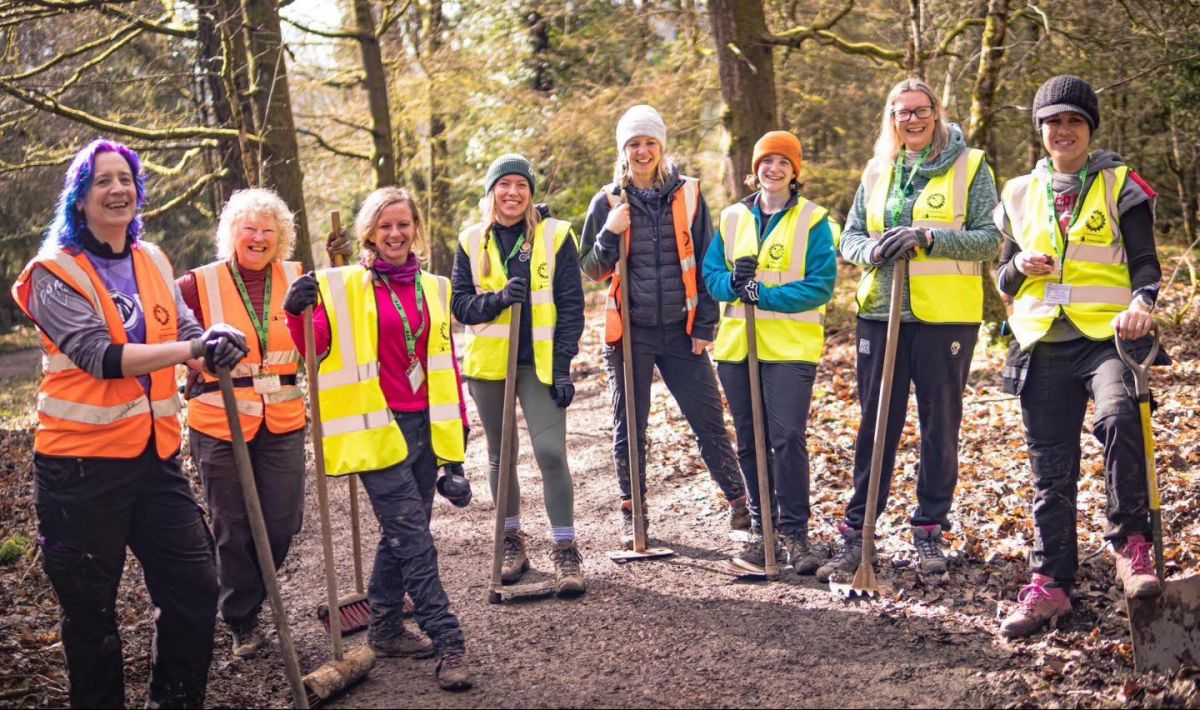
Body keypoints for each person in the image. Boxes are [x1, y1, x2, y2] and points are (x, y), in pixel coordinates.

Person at [11, 139, 248, 707]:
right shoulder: (52, 273)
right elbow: (101, 357)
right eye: (102, 181)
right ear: (80, 198)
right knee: (92, 618)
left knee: (195, 589)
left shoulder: (153, 259)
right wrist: (188, 346)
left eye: (126, 179)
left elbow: (185, 327)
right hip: (78, 472)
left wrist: (212, 346)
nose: (118, 190)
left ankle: (176, 699)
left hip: (153, 460)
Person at [994, 75, 1166, 638]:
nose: (1062, 130)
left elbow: (1145, 262)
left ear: (1089, 128)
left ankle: (1130, 544)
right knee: (1051, 467)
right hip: (1042, 341)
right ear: (1039, 130)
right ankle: (1052, 584)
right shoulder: (1018, 192)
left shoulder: (1120, 183)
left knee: (1119, 417)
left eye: (1073, 121)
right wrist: (1018, 268)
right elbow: (1002, 277)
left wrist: (1142, 303)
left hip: (1108, 339)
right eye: (1052, 122)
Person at [283, 186, 473, 691]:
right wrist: (294, 310)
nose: (395, 234)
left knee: (401, 535)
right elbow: (312, 345)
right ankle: (449, 639)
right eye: (385, 226)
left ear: (416, 230)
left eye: (404, 225)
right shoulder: (345, 286)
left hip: (425, 428)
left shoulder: (434, 287)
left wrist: (457, 447)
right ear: (370, 231)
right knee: (414, 538)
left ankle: (386, 625)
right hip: (375, 428)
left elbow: (445, 363)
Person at [820, 79, 1001, 582]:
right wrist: (872, 251)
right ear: (891, 118)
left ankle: (928, 528)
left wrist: (929, 237)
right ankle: (858, 533)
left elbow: (990, 240)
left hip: (945, 318)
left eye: (922, 111)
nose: (913, 120)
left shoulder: (971, 165)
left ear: (937, 112)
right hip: (880, 314)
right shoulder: (879, 169)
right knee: (876, 424)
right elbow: (851, 237)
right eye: (903, 113)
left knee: (939, 424)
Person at [580, 104, 749, 547]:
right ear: (623, 150)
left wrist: (705, 327)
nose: (642, 151)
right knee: (630, 427)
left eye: (649, 142)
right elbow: (593, 271)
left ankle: (739, 505)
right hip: (628, 334)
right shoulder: (607, 201)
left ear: (661, 146)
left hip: (681, 330)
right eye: (634, 144)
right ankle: (633, 514)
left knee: (708, 419)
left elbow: (710, 263)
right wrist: (608, 233)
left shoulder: (689, 194)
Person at [176, 188, 307, 658]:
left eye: (268, 231)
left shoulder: (296, 277)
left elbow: (319, 343)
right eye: (249, 229)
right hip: (219, 419)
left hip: (284, 417)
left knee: (282, 521)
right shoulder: (197, 283)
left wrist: (316, 310)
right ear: (232, 233)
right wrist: (198, 360)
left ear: (281, 238)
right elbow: (171, 332)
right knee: (231, 523)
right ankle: (242, 617)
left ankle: (246, 595)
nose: (258, 238)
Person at [451, 154, 586, 595]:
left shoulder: (557, 235)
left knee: (550, 453)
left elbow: (570, 306)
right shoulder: (471, 240)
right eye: (504, 184)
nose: (512, 192)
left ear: (530, 192)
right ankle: (511, 540)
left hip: (540, 364)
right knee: (500, 454)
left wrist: (563, 366)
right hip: (490, 366)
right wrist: (498, 300)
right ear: (491, 191)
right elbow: (460, 305)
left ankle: (565, 549)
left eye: (521, 185)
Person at [704, 131, 838, 574]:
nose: (773, 169)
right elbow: (712, 275)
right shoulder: (732, 217)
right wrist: (735, 285)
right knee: (750, 440)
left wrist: (762, 294)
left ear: (795, 170)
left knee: (787, 439)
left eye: (783, 162)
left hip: (789, 348)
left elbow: (820, 285)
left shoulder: (813, 220)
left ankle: (796, 533)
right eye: (766, 161)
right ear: (755, 168)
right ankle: (764, 529)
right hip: (738, 347)